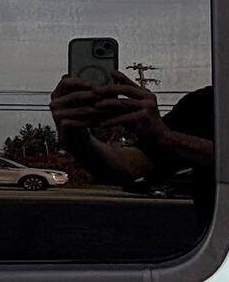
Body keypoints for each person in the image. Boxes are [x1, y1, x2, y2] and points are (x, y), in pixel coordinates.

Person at [50, 70, 215, 228]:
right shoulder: (203, 103)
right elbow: (130, 166)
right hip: (217, 249)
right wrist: (78, 140)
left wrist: (168, 138)